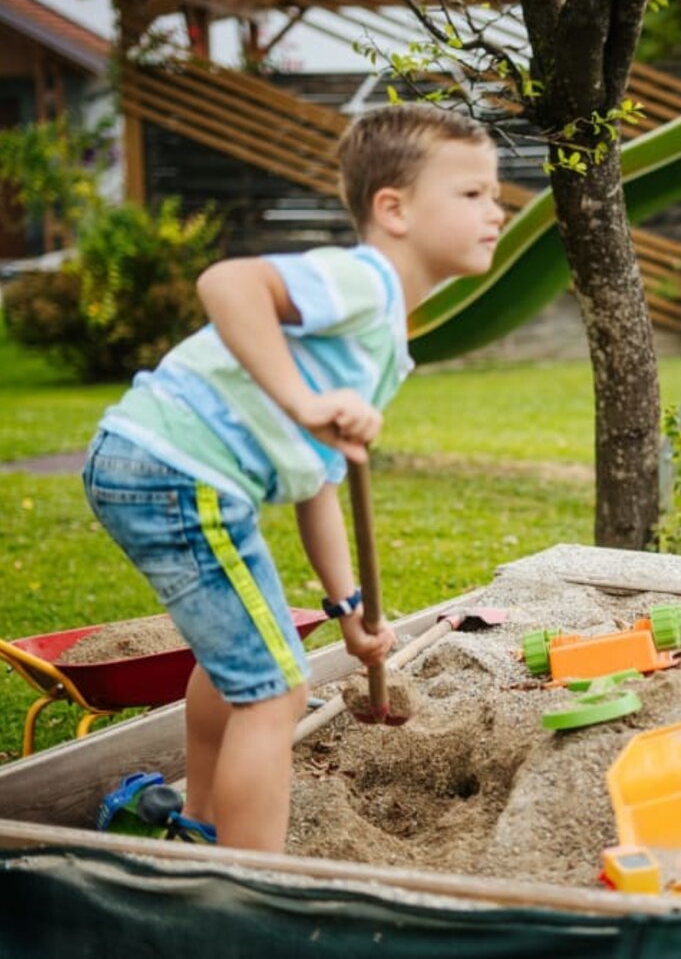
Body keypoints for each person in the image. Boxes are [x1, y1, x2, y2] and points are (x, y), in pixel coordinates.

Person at [82, 104, 504, 852]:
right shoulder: (364, 283)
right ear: (393, 209)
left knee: (240, 661)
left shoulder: (382, 342)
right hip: (177, 470)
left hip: (159, 466)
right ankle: (247, 890)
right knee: (277, 691)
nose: (495, 210)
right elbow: (228, 283)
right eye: (471, 194)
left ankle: (202, 830)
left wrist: (350, 608)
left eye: (494, 194)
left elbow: (320, 481)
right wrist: (303, 400)